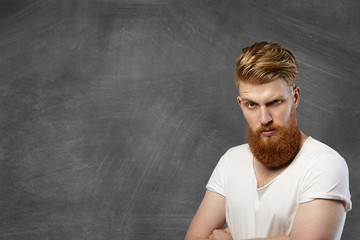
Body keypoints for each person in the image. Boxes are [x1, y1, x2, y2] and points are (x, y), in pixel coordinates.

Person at [185, 42, 352, 240]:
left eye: (275, 102)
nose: (264, 118)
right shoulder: (231, 161)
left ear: (295, 97)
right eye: (252, 105)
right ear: (241, 105)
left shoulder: (325, 164)